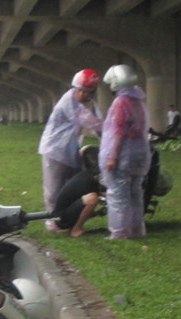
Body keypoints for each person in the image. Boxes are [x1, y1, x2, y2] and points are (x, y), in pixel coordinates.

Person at [38, 69, 104, 230]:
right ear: (75, 88)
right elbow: (90, 121)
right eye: (81, 90)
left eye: (88, 91)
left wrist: (106, 138)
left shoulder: (87, 103)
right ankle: (54, 221)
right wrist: (109, 132)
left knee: (74, 186)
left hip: (71, 149)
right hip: (55, 150)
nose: (84, 94)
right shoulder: (69, 101)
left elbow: (97, 122)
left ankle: (72, 216)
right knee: (53, 189)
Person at [99, 64, 151, 240]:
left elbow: (117, 131)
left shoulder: (120, 103)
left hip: (124, 154)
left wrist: (111, 156)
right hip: (140, 154)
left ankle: (119, 232)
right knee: (136, 192)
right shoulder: (138, 102)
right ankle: (136, 229)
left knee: (118, 194)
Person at [53, 145, 104, 237]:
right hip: (62, 218)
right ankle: (76, 231)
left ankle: (73, 227)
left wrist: (97, 213)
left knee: (92, 198)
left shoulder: (87, 176)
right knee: (92, 198)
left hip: (62, 215)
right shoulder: (91, 178)